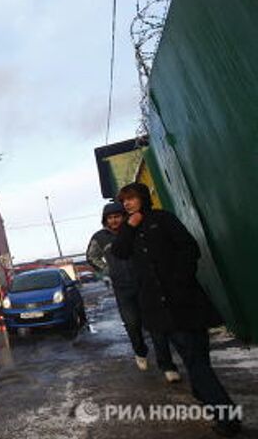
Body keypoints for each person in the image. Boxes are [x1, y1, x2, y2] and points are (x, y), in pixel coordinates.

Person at [112, 183, 241, 437]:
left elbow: (189, 248)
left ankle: (205, 395)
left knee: (199, 359)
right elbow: (120, 252)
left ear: (142, 198)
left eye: (131, 199)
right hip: (161, 309)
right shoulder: (129, 230)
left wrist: (180, 279)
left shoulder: (163, 219)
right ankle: (227, 417)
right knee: (193, 358)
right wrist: (129, 226)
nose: (126, 204)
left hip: (186, 301)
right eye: (123, 201)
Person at [86, 202, 179, 382]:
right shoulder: (100, 237)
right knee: (132, 324)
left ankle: (167, 365)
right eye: (110, 218)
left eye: (117, 216)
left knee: (155, 325)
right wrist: (107, 270)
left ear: (123, 216)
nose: (114, 221)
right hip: (122, 289)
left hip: (145, 284)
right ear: (105, 220)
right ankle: (140, 351)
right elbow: (91, 257)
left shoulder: (134, 230)